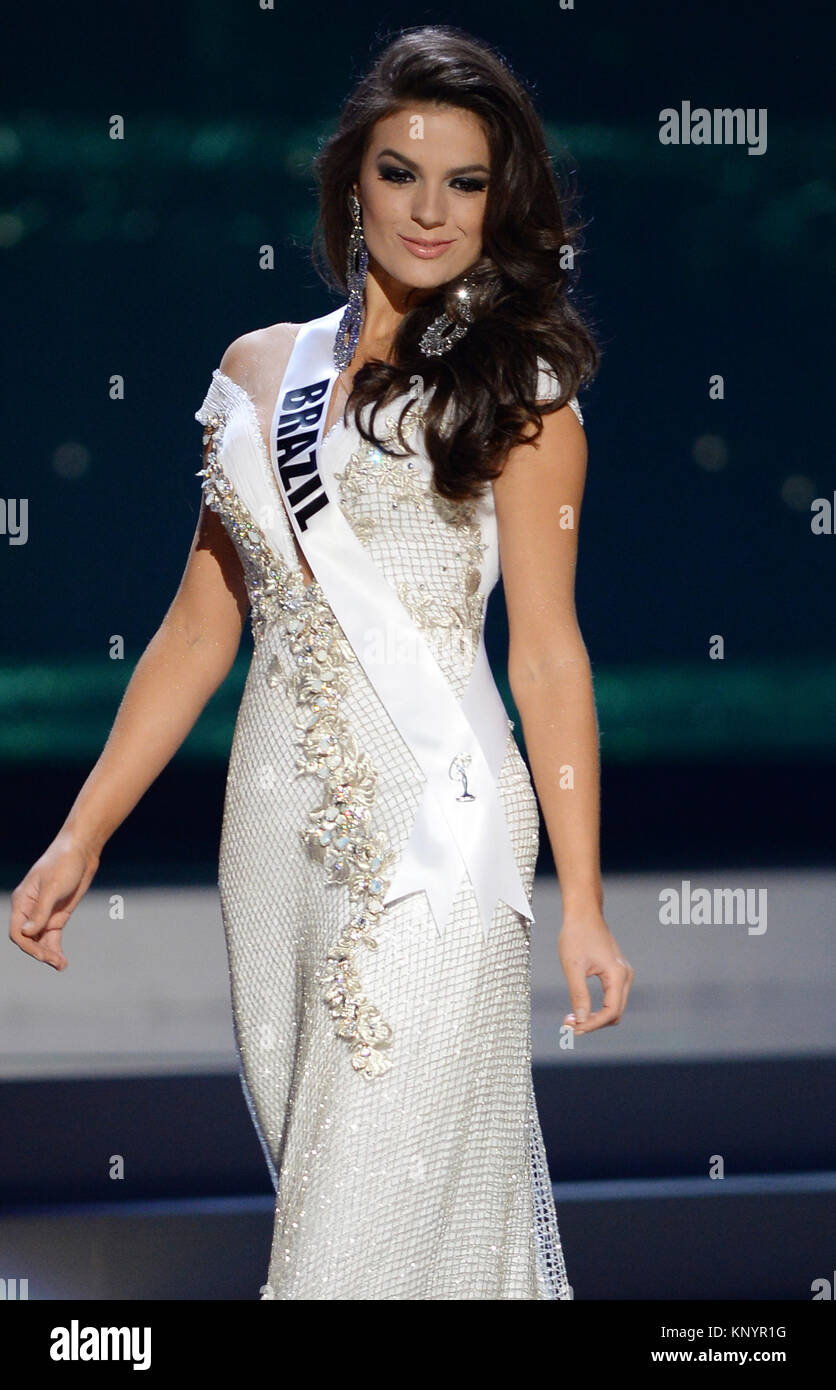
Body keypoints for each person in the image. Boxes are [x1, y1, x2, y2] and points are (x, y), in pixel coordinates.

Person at [9, 24, 633, 1300]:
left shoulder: (521, 398)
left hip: (441, 833)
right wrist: (80, 836)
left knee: (357, 1231)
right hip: (275, 830)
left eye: (466, 184)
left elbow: (552, 658)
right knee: (341, 1188)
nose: (430, 210)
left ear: (499, 205)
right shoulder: (255, 369)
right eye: (402, 172)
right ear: (352, 179)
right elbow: (197, 630)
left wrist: (580, 900)